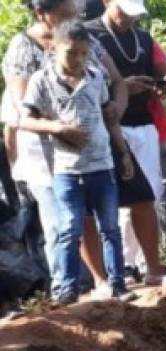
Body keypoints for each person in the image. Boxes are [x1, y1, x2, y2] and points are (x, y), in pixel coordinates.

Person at [2, 0, 127, 296]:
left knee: (98, 223)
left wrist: (114, 109)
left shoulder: (86, 40)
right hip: (46, 152)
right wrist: (62, 128)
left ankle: (103, 282)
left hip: (93, 151)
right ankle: (64, 290)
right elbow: (24, 112)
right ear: (41, 14)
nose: (74, 17)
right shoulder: (22, 48)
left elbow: (116, 84)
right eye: (65, 13)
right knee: (61, 225)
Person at [86, 0, 166, 287]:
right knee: (112, 199)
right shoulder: (91, 35)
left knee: (147, 195)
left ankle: (144, 263)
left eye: (134, 12)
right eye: (124, 10)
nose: (129, 18)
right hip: (109, 126)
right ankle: (121, 266)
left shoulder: (142, 37)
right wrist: (122, 87)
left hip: (145, 123)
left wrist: (162, 85)